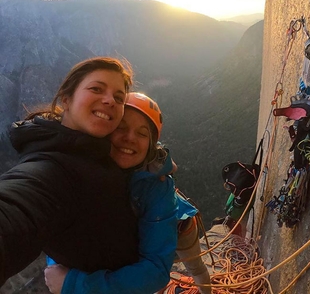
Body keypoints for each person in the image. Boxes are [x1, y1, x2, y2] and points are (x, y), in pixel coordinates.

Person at [45, 92, 211, 294]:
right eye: (121, 127)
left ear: (150, 146)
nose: (130, 138)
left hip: (181, 226)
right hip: (146, 236)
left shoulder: (157, 185)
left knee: (197, 269)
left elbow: (156, 271)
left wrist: (74, 284)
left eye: (142, 133)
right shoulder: (87, 170)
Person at [0, 57, 140, 287]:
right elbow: (19, 204)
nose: (109, 101)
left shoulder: (101, 149)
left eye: (118, 98)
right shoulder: (52, 167)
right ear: (66, 99)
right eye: (96, 89)